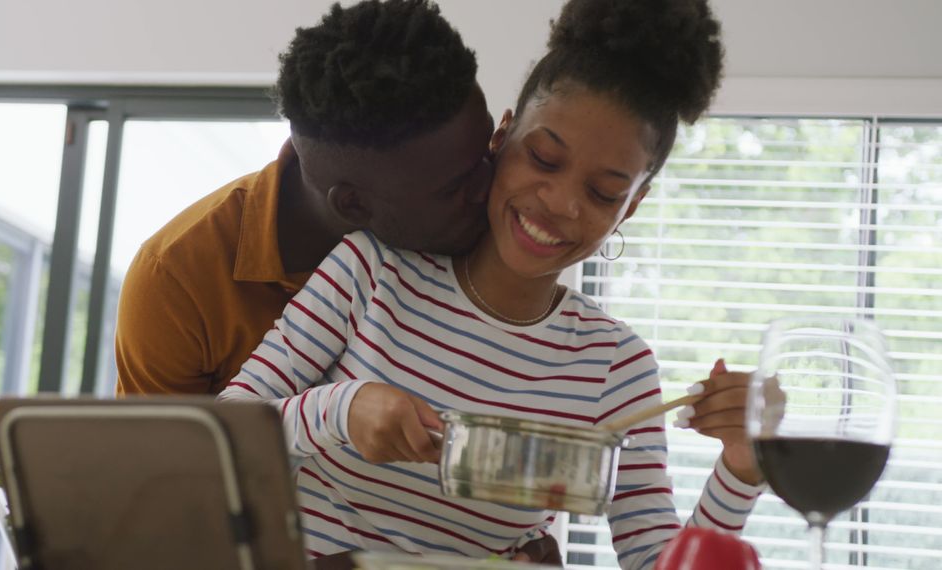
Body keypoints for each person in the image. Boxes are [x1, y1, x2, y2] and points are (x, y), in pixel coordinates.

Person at [218, 0, 764, 567]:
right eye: (545, 159)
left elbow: (658, 562)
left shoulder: (616, 367)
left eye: (603, 193)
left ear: (631, 206)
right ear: (502, 136)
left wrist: (741, 471)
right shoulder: (372, 271)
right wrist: (339, 410)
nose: (560, 204)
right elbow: (228, 429)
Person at [115, 0, 559, 563]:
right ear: (353, 203)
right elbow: (168, 500)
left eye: (487, 156)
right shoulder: (176, 280)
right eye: (455, 186)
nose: (489, 189)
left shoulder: (469, 236)